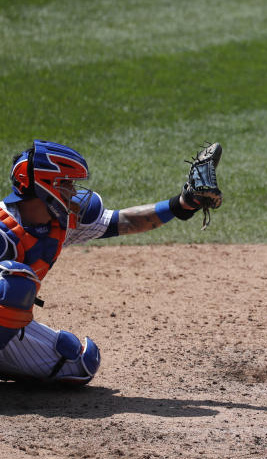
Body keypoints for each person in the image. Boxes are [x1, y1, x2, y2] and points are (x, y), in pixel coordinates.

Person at [0, 140, 216, 384]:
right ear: (44, 187)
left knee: (78, 362)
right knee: (13, 285)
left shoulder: (59, 223)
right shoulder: (3, 231)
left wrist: (183, 204)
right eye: (67, 184)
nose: (73, 192)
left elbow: (123, 221)